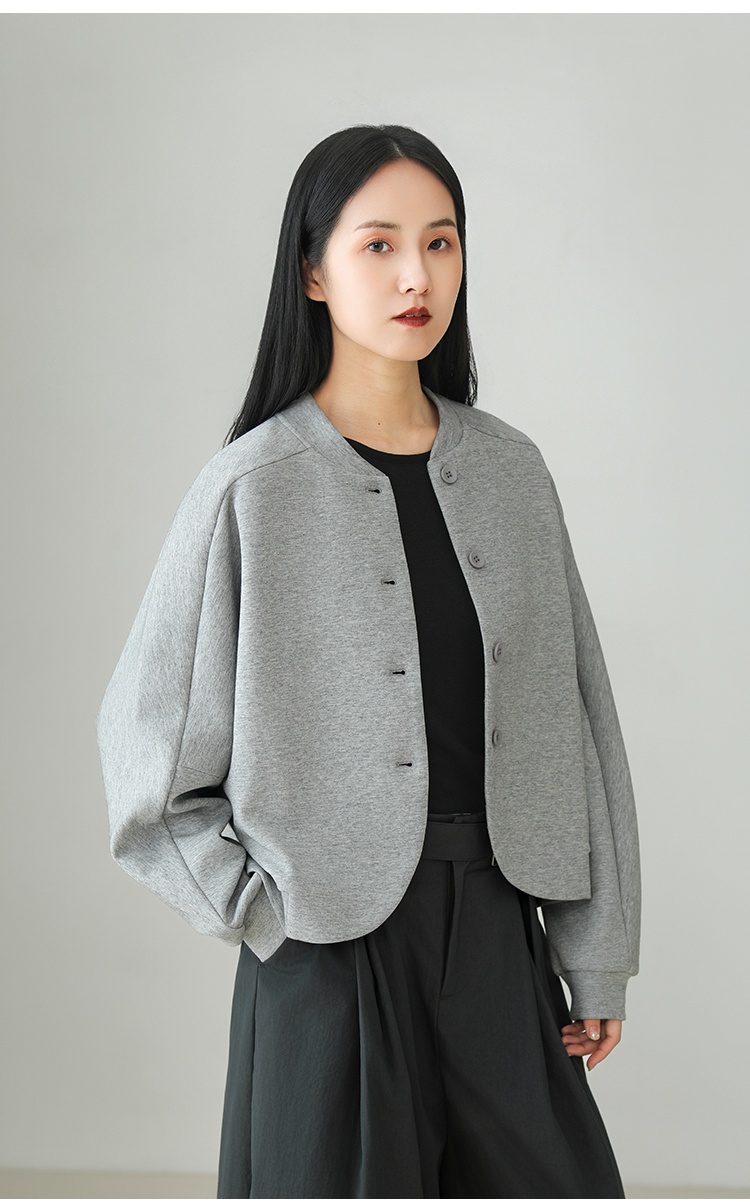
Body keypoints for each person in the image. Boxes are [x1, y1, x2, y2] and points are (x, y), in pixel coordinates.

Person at [96, 123, 641, 1199]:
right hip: (328, 952)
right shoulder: (251, 488)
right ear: (312, 270)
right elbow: (145, 759)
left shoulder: (513, 473)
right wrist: (263, 915)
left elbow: (579, 726)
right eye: (379, 244)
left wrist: (596, 951)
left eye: (440, 242)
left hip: (501, 931)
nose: (416, 276)